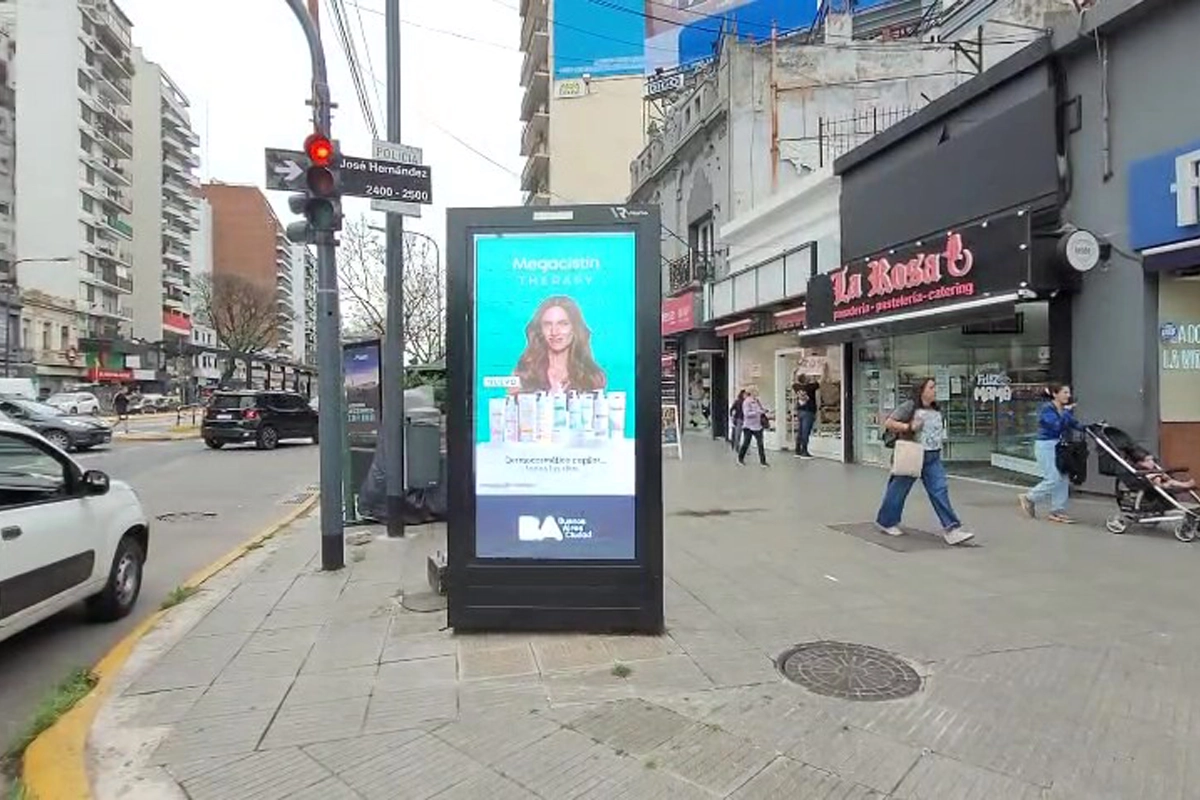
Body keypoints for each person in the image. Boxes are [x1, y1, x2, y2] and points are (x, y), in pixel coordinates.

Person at [876, 378, 975, 545]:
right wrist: (909, 427)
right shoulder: (910, 406)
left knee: (940, 489)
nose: (935, 390)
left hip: (932, 456)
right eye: (931, 387)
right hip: (913, 454)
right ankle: (886, 521)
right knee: (898, 490)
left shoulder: (936, 408)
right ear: (921, 390)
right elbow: (889, 422)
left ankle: (952, 529)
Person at [512, 296, 606, 393]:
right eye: (548, 324)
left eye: (563, 324)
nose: (554, 332)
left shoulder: (592, 376)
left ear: (575, 328)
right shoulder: (525, 373)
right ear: (540, 330)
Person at [1019, 383, 1083, 524]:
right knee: (1053, 478)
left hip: (1059, 446)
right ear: (1055, 394)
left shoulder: (1064, 410)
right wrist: (1066, 412)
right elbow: (1056, 426)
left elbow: (1074, 424)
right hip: (1046, 446)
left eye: (1069, 393)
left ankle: (1057, 511)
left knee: (1063, 477)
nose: (1068, 396)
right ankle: (1029, 497)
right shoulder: (1047, 409)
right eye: (1065, 392)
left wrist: (1091, 428)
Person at [1129, 447, 1197, 492]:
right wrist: (1158, 475)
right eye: (1147, 461)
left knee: (1170, 480)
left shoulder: (1153, 468)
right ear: (1139, 463)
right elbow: (1145, 478)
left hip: (1162, 483)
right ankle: (1185, 485)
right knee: (1158, 478)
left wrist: (1163, 475)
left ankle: (1185, 485)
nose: (1152, 462)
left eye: (1152, 460)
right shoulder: (1139, 471)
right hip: (1152, 485)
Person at [737, 386, 769, 468]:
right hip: (748, 426)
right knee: (746, 443)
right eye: (755, 391)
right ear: (751, 392)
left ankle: (763, 462)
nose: (757, 392)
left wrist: (763, 411)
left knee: (760, 444)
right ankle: (740, 458)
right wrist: (758, 412)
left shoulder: (757, 401)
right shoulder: (746, 402)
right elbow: (746, 414)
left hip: (758, 426)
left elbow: (760, 410)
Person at [792, 377, 819, 459]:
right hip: (809, 411)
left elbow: (794, 382)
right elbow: (820, 382)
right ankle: (804, 451)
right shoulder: (811, 387)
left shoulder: (796, 387)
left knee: (800, 431)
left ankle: (797, 450)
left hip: (800, 411)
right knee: (805, 432)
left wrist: (795, 374)